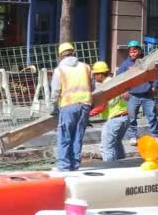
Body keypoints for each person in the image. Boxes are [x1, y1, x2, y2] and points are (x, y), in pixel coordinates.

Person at [50, 42, 93, 171]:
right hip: (85, 105)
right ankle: (74, 166)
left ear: (60, 56)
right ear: (73, 53)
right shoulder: (86, 67)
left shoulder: (59, 70)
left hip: (68, 105)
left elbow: (55, 91)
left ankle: (64, 168)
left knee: (64, 137)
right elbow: (92, 86)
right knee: (77, 136)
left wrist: (53, 106)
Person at [116, 40, 158, 146]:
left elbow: (156, 74)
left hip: (147, 94)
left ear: (140, 51)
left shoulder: (147, 61)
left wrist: (154, 86)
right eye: (130, 52)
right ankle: (132, 136)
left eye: (134, 51)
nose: (132, 53)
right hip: (133, 95)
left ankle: (156, 136)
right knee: (131, 117)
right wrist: (124, 90)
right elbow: (118, 78)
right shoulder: (125, 65)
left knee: (151, 116)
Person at [88, 61, 129, 161]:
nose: (94, 77)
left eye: (95, 74)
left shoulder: (104, 87)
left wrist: (86, 114)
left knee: (107, 148)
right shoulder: (115, 81)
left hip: (114, 119)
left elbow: (100, 107)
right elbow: (126, 96)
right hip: (125, 117)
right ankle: (123, 166)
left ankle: (109, 169)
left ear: (100, 74)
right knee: (117, 144)